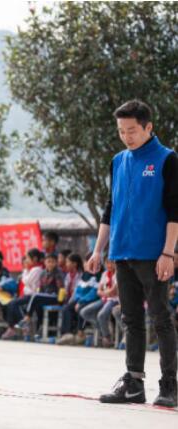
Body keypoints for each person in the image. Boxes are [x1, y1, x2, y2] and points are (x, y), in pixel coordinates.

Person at [89, 100, 177, 407]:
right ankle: (133, 383)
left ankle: (169, 385)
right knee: (131, 320)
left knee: (161, 318)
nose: (126, 136)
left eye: (132, 130)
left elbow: (174, 210)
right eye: (121, 131)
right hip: (122, 253)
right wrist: (98, 250)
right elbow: (110, 208)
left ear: (148, 127)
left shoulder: (167, 159)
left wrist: (168, 253)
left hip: (153, 254)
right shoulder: (118, 161)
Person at [15, 253, 65, 337]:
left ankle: (27, 318)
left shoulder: (58, 273)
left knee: (35, 296)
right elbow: (41, 287)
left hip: (55, 297)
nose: (50, 264)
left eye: (53, 262)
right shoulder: (43, 273)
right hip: (45, 296)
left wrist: (60, 300)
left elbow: (61, 288)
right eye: (48, 261)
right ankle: (39, 329)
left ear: (56, 263)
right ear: (45, 262)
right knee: (37, 304)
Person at [57, 255, 101, 346]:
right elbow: (78, 290)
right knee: (67, 308)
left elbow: (93, 293)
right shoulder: (85, 275)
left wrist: (81, 301)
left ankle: (80, 333)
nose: (85, 264)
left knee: (81, 308)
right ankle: (67, 334)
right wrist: (77, 300)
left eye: (87, 262)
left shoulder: (98, 276)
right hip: (81, 299)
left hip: (91, 300)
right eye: (85, 262)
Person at [2, 249, 44, 340]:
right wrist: (26, 273)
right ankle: (13, 327)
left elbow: (26, 281)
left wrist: (25, 271)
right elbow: (26, 282)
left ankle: (23, 326)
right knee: (10, 303)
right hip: (27, 295)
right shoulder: (31, 270)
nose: (26, 260)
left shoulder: (37, 269)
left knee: (13, 303)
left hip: (32, 296)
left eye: (28, 258)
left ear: (34, 258)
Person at [80, 259, 119, 347]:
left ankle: (107, 337)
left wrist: (105, 292)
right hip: (104, 299)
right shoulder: (104, 274)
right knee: (84, 312)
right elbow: (99, 291)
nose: (109, 265)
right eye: (107, 263)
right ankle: (104, 327)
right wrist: (106, 293)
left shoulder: (118, 274)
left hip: (114, 300)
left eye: (112, 263)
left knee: (101, 315)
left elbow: (113, 291)